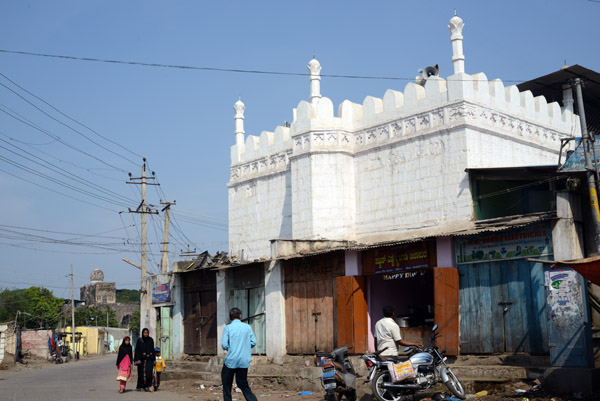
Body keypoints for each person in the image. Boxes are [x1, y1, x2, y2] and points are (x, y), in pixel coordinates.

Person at [221, 307, 258, 401]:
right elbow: (253, 342)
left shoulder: (228, 328)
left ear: (230, 317)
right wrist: (244, 347)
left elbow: (224, 345)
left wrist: (232, 347)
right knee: (243, 384)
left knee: (226, 384)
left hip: (231, 361)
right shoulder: (247, 327)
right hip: (244, 360)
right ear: (240, 316)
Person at [134, 328, 155, 392]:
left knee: (149, 373)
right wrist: (137, 359)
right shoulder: (139, 340)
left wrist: (152, 357)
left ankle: (148, 386)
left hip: (149, 359)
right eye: (144, 333)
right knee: (141, 374)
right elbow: (137, 350)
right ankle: (142, 387)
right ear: (142, 333)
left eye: (147, 333)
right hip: (141, 359)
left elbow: (152, 349)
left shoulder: (150, 340)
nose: (145, 334)